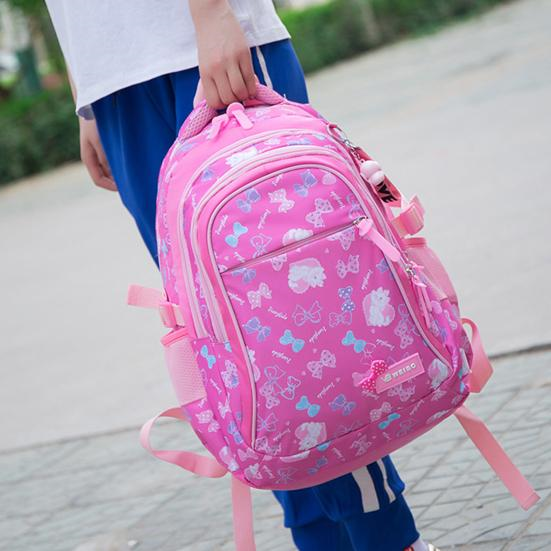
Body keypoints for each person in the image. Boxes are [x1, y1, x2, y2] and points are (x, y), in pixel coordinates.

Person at [45, 1, 439, 549]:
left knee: (297, 338)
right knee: (229, 339)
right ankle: (322, 541)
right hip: (114, 82)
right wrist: (86, 96)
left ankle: (388, 540)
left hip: (197, 41)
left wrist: (212, 14)